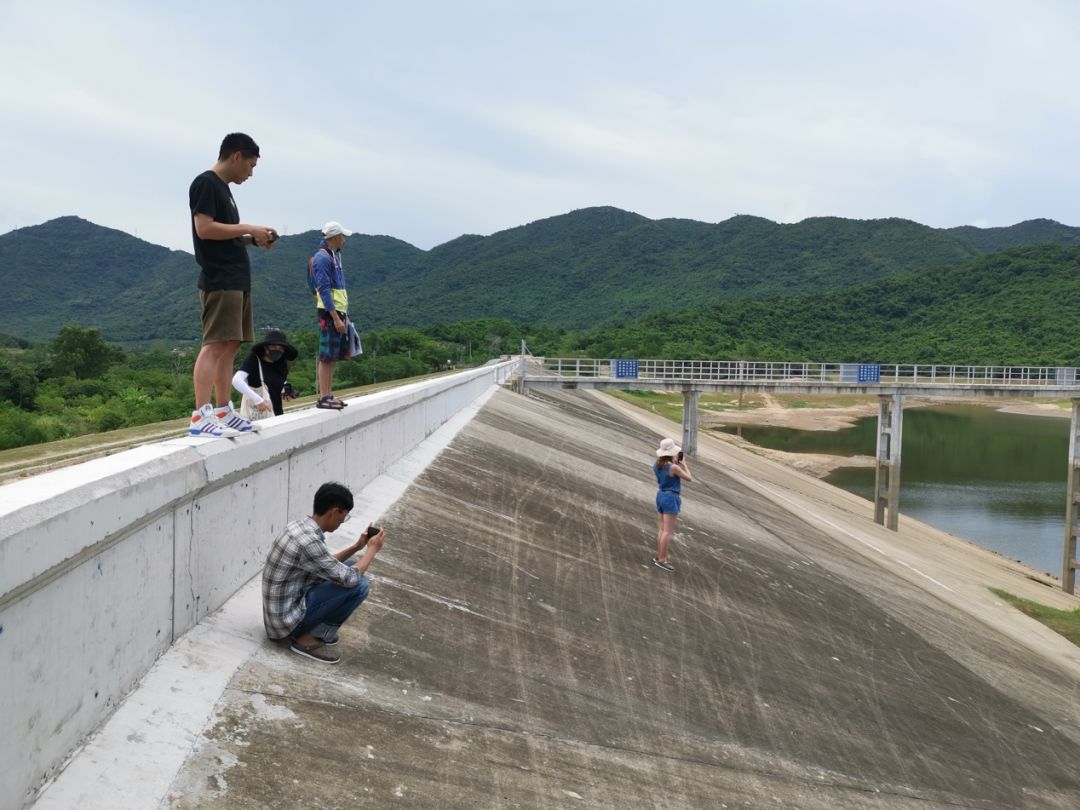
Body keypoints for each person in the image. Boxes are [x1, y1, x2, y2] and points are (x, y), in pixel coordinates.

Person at [187, 132, 279, 438]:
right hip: (219, 278)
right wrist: (248, 226)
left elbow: (224, 234)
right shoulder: (206, 183)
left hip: (236, 278)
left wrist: (251, 239)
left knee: (229, 345)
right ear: (237, 155)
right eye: (250, 165)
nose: (250, 173)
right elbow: (205, 229)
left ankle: (224, 410)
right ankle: (201, 414)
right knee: (214, 345)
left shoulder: (224, 190)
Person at [262, 482, 386, 664]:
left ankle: (317, 631)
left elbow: (325, 564)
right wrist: (371, 550)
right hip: (285, 625)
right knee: (360, 585)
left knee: (351, 565)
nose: (343, 521)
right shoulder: (310, 543)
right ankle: (308, 639)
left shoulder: (299, 527)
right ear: (334, 511)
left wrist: (357, 547)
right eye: (344, 515)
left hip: (279, 614)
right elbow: (351, 579)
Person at [310, 221, 355, 410]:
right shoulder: (322, 258)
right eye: (342, 236)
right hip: (330, 313)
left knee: (333, 355)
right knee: (326, 355)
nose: (344, 239)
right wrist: (335, 317)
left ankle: (328, 394)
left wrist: (344, 315)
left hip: (338, 311)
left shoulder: (334, 257)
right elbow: (324, 289)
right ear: (335, 237)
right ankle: (323, 396)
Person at [232, 328, 299, 417]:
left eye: (280, 348)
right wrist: (258, 400)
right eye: (273, 347)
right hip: (258, 417)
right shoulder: (255, 360)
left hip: (277, 415)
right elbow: (236, 380)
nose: (277, 350)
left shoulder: (281, 364)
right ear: (265, 347)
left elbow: (278, 385)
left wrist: (287, 392)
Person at [652, 437, 692, 572]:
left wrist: (675, 463)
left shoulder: (657, 465)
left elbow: (665, 474)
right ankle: (662, 560)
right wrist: (684, 465)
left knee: (662, 529)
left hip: (661, 495)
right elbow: (689, 478)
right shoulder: (674, 467)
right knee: (668, 531)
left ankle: (659, 556)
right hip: (671, 497)